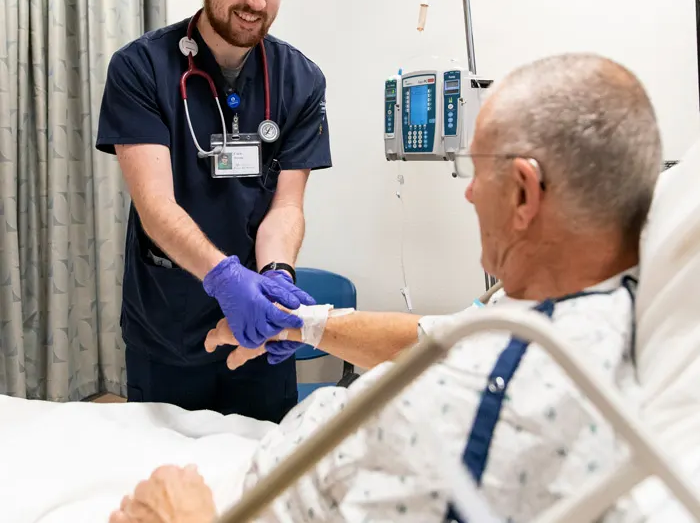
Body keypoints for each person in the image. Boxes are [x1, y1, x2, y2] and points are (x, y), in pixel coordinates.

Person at [110, 52, 661, 523]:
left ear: (523, 194)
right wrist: (301, 322)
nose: (469, 193)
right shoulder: (555, 319)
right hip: (247, 455)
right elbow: (436, 336)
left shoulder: (508, 405)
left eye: (476, 166)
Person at [96, 0, 332, 423]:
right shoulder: (141, 69)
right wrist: (226, 277)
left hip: (256, 328)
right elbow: (156, 205)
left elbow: (286, 206)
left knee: (259, 481)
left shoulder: (300, 80)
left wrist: (275, 276)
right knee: (169, 486)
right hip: (169, 327)